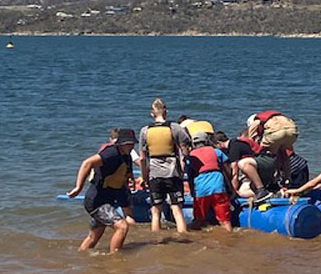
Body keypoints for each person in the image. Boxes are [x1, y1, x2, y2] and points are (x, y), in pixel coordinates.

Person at [67, 128, 137, 253]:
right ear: (120, 143)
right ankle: (115, 258)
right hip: (96, 202)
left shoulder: (126, 156)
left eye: (133, 144)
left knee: (94, 237)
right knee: (122, 226)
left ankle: (80, 256)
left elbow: (126, 172)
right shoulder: (111, 153)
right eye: (128, 144)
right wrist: (78, 187)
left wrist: (130, 180)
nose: (131, 146)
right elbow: (87, 163)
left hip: (107, 201)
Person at [139, 98, 190, 233]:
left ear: (152, 114)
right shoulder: (175, 128)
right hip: (172, 173)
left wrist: (144, 177)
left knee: (156, 210)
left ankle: (156, 240)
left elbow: (142, 158)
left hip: (154, 174)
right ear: (166, 112)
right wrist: (183, 167)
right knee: (177, 210)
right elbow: (185, 150)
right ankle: (184, 237)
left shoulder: (145, 131)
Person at [186, 131, 233, 232]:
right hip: (218, 186)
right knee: (225, 221)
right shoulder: (216, 151)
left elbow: (190, 176)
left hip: (201, 188)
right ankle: (230, 236)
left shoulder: (191, 156)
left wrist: (193, 192)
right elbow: (228, 169)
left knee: (198, 220)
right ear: (207, 141)